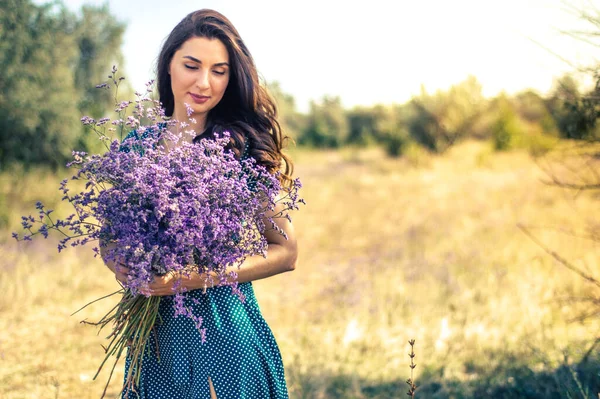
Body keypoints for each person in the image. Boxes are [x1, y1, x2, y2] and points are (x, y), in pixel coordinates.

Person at [101, 9, 297, 399]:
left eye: (219, 70)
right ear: (169, 65)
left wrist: (189, 277)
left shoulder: (241, 149)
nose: (205, 82)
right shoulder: (134, 149)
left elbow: (286, 252)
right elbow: (110, 236)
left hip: (225, 334)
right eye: (192, 65)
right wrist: (120, 262)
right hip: (154, 341)